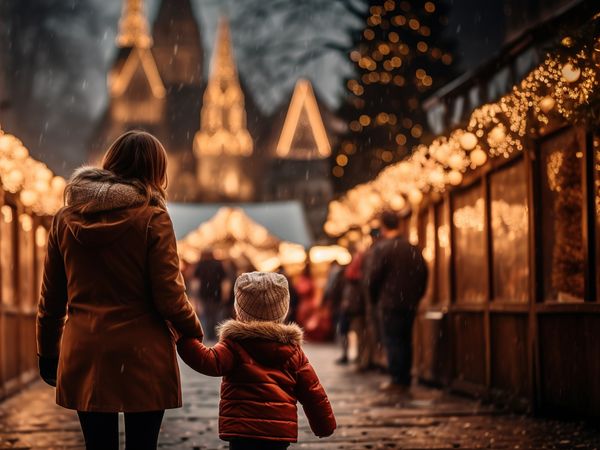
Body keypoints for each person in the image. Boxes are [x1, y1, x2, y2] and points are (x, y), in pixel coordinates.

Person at [36, 130, 203, 450]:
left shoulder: (65, 219)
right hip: (144, 353)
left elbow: (51, 299)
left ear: (111, 162)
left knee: (98, 446)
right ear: (156, 171)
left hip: (86, 351)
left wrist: (47, 352)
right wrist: (193, 329)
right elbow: (169, 294)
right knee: (143, 445)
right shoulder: (153, 218)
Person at [177, 271, 337, 449]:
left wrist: (184, 338)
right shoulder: (293, 351)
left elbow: (207, 361)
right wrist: (324, 425)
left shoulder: (234, 345)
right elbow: (312, 392)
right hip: (278, 432)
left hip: (241, 431)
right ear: (283, 310)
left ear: (239, 309)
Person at [365, 210, 428, 393]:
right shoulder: (412, 247)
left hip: (389, 303)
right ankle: (405, 377)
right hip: (409, 303)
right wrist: (416, 297)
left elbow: (373, 278)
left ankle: (397, 380)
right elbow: (424, 273)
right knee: (406, 340)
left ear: (383, 226)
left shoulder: (382, 249)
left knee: (393, 340)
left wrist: (375, 299)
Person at [194, 249, 227, 340]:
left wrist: (196, 296)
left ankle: (208, 334)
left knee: (206, 314)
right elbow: (223, 280)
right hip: (216, 293)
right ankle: (215, 334)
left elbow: (196, 281)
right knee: (215, 314)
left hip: (204, 293)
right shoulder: (218, 264)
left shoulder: (201, 265)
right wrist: (224, 294)